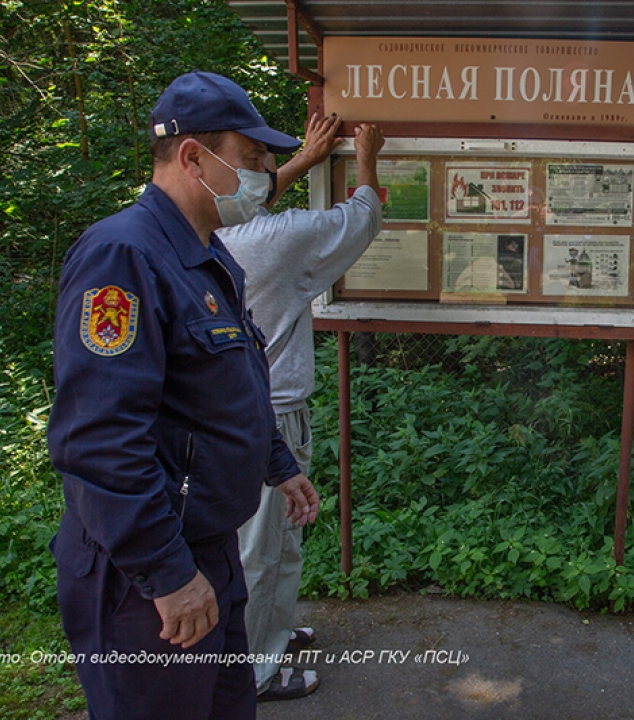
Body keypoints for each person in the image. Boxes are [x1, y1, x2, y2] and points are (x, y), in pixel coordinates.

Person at [46, 70, 319, 720]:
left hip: (210, 548)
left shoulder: (205, 255)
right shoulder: (123, 259)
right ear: (194, 156)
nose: (265, 173)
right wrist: (166, 572)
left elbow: (221, 386)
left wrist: (276, 466)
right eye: (252, 159)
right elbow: (100, 439)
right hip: (147, 577)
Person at [218, 113, 384, 700]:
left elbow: (247, 203)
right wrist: (367, 157)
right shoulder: (273, 239)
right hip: (272, 416)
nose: (266, 173)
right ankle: (257, 671)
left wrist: (306, 161)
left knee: (281, 537)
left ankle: (273, 633)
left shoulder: (210, 233)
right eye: (257, 162)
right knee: (262, 548)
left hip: (254, 411)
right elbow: (360, 218)